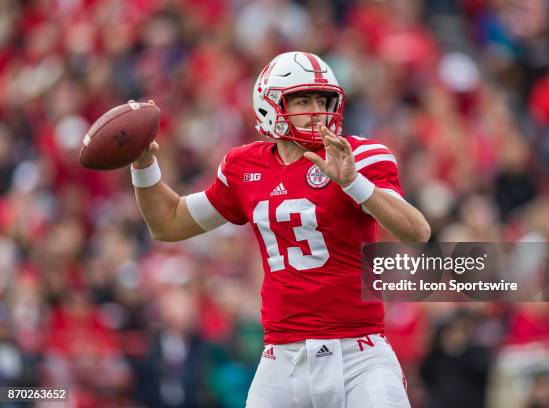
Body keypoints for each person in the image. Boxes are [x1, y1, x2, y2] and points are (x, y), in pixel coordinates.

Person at [131, 51, 430, 407]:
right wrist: (143, 163)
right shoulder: (244, 167)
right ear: (269, 106)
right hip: (283, 359)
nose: (317, 110)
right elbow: (169, 222)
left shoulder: (359, 155)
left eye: (323, 99)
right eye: (303, 100)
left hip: (360, 354)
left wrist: (353, 182)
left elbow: (417, 231)